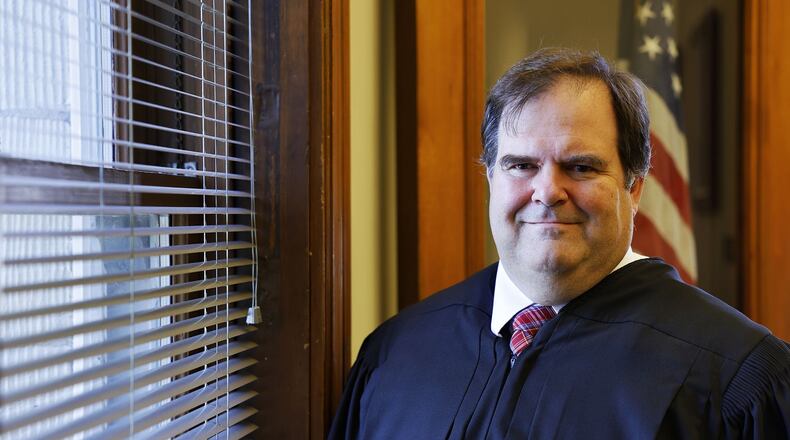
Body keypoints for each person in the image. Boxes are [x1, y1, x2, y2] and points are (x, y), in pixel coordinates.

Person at [329, 48, 790, 439]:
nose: (547, 192)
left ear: (633, 187)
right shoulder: (395, 354)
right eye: (520, 165)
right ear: (491, 177)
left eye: (581, 167)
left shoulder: (735, 377)